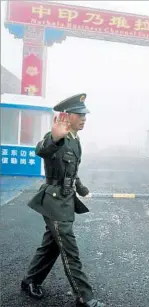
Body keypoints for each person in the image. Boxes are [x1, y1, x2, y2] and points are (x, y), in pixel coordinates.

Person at [21, 94, 105, 307]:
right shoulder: (57, 137)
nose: (84, 118)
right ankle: (84, 298)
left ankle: (30, 281)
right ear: (66, 116)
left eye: (85, 114)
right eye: (79, 114)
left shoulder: (76, 140)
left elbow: (71, 171)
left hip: (66, 200)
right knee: (70, 250)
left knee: (51, 246)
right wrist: (55, 137)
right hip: (54, 201)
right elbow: (42, 149)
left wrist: (81, 188)